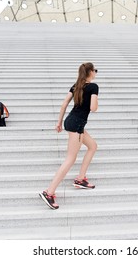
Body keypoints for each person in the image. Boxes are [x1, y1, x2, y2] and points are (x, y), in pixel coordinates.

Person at [39, 62, 99, 210]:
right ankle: (49, 192)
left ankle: (80, 179)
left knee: (92, 146)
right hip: (77, 124)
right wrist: (95, 96)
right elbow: (93, 108)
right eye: (95, 70)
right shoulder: (93, 87)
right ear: (90, 72)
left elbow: (64, 103)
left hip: (70, 121)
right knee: (70, 159)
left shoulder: (76, 85)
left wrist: (59, 122)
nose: (96, 73)